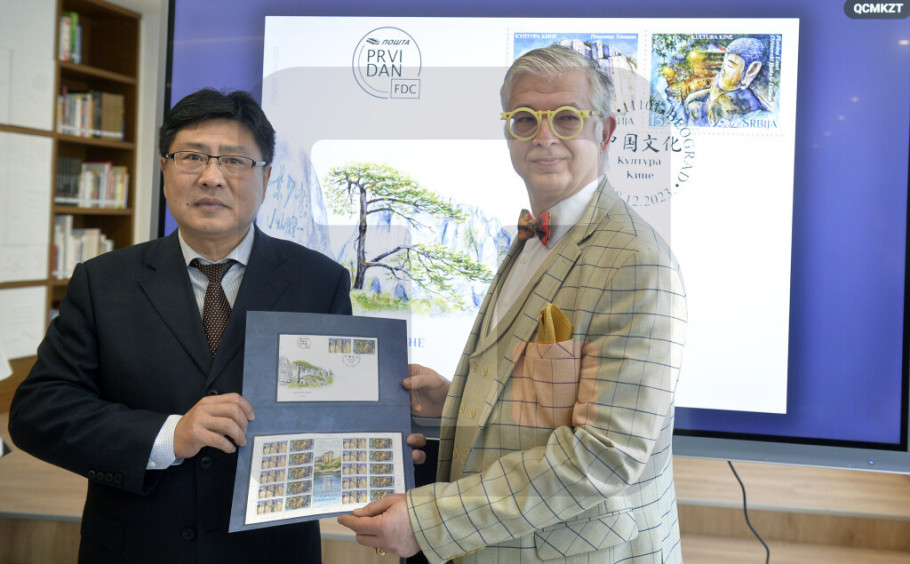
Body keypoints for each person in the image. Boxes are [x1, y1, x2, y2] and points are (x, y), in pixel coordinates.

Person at [338, 44, 687, 563]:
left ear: (605, 131)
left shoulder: (635, 260)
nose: (544, 136)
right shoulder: (533, 236)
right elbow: (548, 403)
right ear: (509, 134)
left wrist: (430, 521)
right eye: (525, 119)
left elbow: (605, 455)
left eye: (566, 118)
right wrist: (454, 401)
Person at [8, 88, 352, 562]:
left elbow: (338, 416)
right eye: (192, 157)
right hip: (136, 549)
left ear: (267, 176)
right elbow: (38, 413)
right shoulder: (102, 282)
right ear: (165, 169)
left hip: (268, 551)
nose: (211, 177)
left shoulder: (319, 282)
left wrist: (388, 437)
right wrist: (169, 436)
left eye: (234, 161)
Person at [684, 37, 772, 126]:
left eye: (730, 64)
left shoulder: (742, 105)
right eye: (724, 61)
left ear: (752, 71)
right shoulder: (720, 81)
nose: (723, 69)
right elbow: (710, 94)